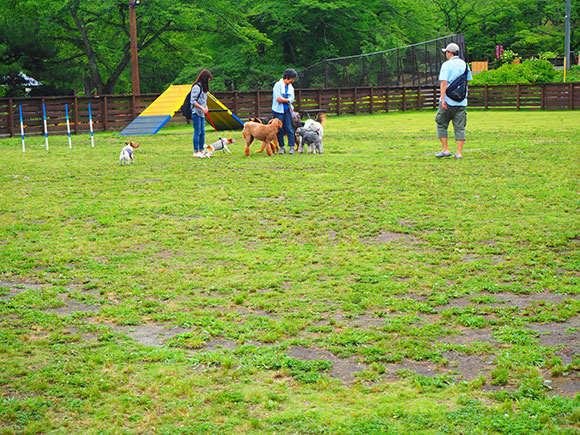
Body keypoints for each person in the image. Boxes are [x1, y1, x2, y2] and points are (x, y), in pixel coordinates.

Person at [435, 43, 472, 159]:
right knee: (460, 126)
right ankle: (459, 153)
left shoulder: (446, 65)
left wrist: (442, 99)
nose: (446, 54)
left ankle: (445, 149)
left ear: (450, 53)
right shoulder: (465, 65)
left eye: (446, 52)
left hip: (448, 100)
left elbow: (444, 82)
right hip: (461, 102)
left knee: (441, 123)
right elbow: (467, 82)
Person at [272, 69, 297, 154]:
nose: (292, 81)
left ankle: (291, 146)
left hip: (287, 110)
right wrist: (287, 100)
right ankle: (281, 147)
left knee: (289, 127)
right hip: (278, 110)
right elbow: (278, 99)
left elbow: (292, 99)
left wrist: (285, 100)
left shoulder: (290, 87)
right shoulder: (277, 85)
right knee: (279, 129)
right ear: (287, 77)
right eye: (292, 79)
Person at [191, 69, 213, 158]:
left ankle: (201, 149)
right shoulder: (196, 87)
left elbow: (204, 101)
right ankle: (196, 151)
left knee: (203, 132)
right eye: (208, 79)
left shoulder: (204, 88)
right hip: (196, 112)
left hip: (202, 113)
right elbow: (193, 101)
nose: (209, 81)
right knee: (197, 131)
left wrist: (206, 108)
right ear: (205, 78)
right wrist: (201, 108)